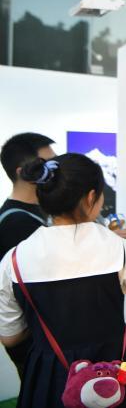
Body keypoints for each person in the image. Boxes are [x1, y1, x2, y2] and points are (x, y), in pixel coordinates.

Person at [0, 154, 126, 408]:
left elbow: (10, 337)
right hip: (115, 372)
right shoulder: (118, 249)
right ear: (91, 197)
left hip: (50, 377)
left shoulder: (13, 260)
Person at [0, 132, 56, 380]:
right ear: (24, 172)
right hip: (35, 346)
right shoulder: (16, 224)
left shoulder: (36, 212)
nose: (56, 170)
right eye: (47, 164)